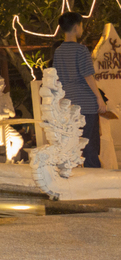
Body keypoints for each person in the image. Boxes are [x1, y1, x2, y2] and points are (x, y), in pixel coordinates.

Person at [53, 12, 108, 168]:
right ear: (77, 27)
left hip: (68, 103)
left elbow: (57, 78)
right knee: (90, 143)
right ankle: (94, 176)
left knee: (72, 143)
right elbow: (88, 76)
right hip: (86, 103)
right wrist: (99, 98)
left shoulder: (58, 51)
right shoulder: (81, 50)